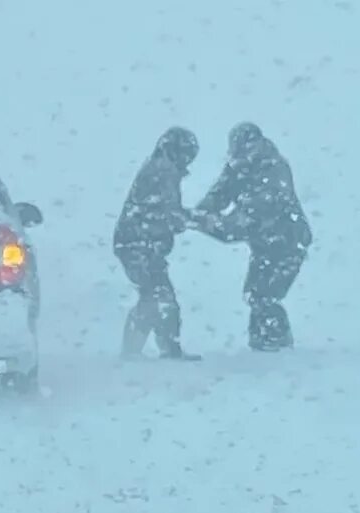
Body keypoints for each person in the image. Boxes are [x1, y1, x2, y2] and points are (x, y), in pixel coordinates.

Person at [191, 122, 313, 351]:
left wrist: (211, 225)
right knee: (254, 294)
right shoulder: (239, 166)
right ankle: (262, 345)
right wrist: (201, 213)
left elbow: (247, 218)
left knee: (266, 296)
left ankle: (277, 346)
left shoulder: (275, 170)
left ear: (257, 144)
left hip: (289, 242)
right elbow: (219, 193)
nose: (240, 157)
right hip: (263, 244)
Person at [114, 127, 202, 360]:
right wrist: (197, 220)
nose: (188, 162)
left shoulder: (159, 167)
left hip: (137, 244)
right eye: (188, 155)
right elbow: (170, 214)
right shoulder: (164, 171)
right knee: (157, 297)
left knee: (156, 295)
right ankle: (156, 350)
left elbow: (164, 211)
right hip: (139, 245)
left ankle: (150, 349)